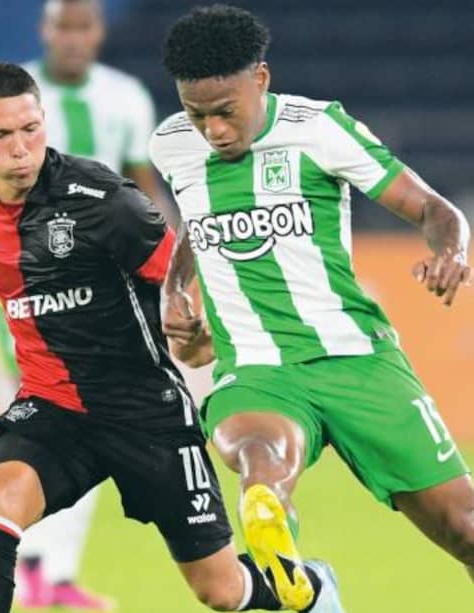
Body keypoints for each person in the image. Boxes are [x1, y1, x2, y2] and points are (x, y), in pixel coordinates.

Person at [0, 62, 343, 613]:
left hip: (144, 411)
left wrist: (203, 329)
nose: (20, 149)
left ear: (44, 121)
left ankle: (313, 589)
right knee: (0, 502)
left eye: (30, 129)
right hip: (52, 406)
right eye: (1, 135)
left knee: (220, 590)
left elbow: (185, 267)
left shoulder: (101, 199)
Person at [150, 5, 473, 611]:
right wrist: (174, 289)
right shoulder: (171, 144)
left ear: (261, 79)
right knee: (258, 456)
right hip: (257, 368)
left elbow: (434, 208)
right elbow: (197, 216)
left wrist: (451, 251)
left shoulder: (321, 129)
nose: (213, 130)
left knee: (466, 530)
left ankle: (302, 574)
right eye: (197, 114)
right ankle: (275, 535)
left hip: (357, 360)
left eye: (226, 112)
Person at [0, 2, 166, 607]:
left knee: (87, 423)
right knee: (62, 417)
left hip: (109, 297)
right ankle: (41, 570)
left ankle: (49, 573)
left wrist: (172, 276)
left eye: (83, 26)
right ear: (44, 30)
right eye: (62, 26)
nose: (72, 38)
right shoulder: (6, 100)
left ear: (97, 32)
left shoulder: (125, 98)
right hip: (30, 292)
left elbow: (146, 196)